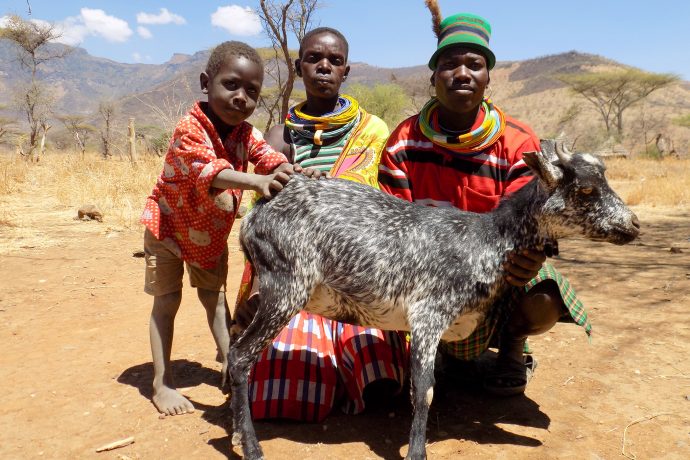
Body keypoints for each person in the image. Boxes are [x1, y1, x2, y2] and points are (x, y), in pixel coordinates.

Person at [378, 6, 591, 396]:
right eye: (449, 64)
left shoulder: (518, 143)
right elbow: (393, 227)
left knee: (544, 297)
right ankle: (437, 349)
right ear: (433, 76)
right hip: (426, 274)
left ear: (487, 77)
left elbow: (536, 222)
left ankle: (512, 350)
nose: (462, 73)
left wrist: (533, 255)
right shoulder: (405, 141)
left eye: (474, 64)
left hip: (497, 274)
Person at [233, 27, 408, 422]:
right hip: (297, 269)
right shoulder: (279, 135)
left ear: (346, 70)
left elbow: (383, 211)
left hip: (359, 272)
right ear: (299, 68)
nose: (323, 67)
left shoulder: (373, 131)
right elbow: (268, 215)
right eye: (313, 59)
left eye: (334, 60)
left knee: (379, 375)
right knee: (279, 388)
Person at [141, 41, 299, 417]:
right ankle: (162, 384)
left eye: (252, 91)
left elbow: (269, 157)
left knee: (215, 301)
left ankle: (235, 367)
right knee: (167, 302)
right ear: (205, 82)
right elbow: (209, 172)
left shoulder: (246, 134)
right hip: (166, 229)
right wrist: (258, 182)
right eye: (231, 85)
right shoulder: (189, 128)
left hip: (208, 236)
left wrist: (289, 171)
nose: (241, 97)